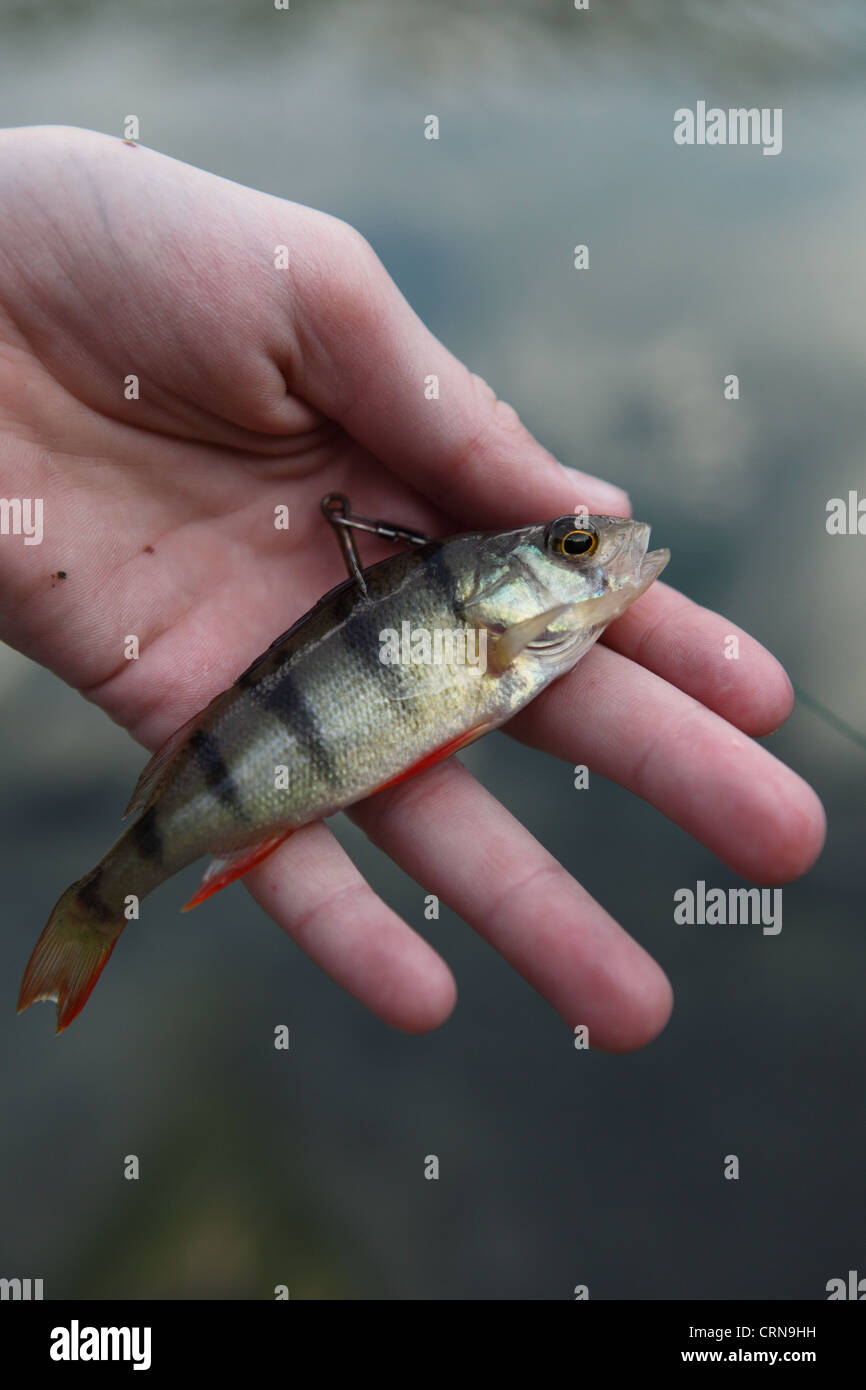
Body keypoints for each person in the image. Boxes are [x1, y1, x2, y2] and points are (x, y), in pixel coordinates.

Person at [0, 125, 824, 1050]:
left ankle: (109, 892)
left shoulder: (510, 640)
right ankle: (100, 902)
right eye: (578, 544)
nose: (605, 550)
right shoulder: (503, 645)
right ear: (511, 580)